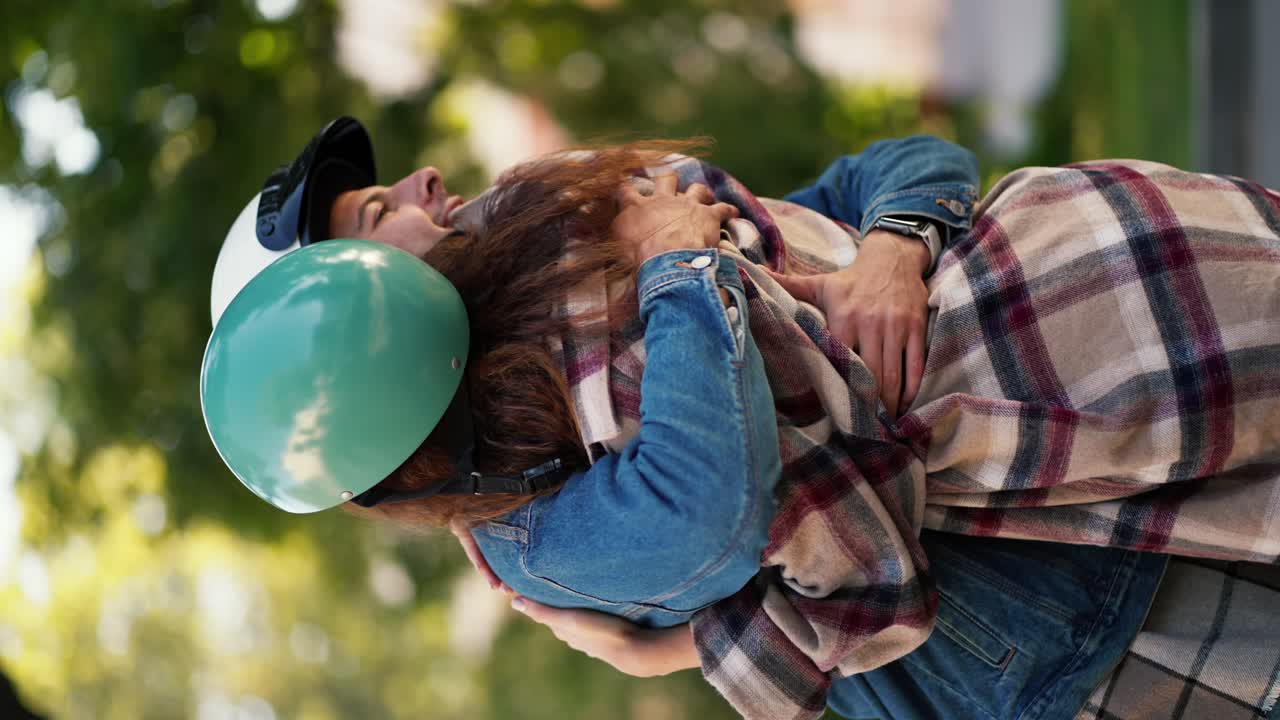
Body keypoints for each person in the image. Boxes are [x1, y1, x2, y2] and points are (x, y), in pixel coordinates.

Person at [201, 118, 1280, 719]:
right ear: (335, 329)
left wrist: (892, 250)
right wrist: (679, 264)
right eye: (371, 216)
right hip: (1042, 589)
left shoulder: (577, 216)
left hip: (1132, 333)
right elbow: (706, 510)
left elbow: (887, 172)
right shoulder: (520, 516)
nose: (418, 180)